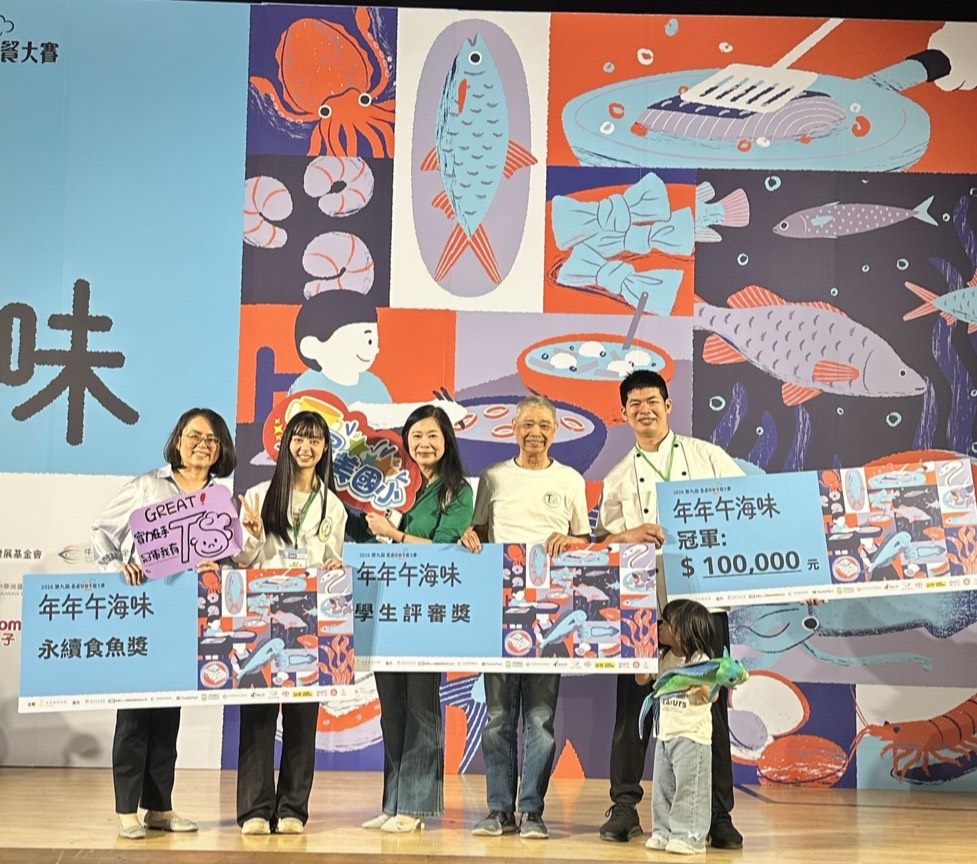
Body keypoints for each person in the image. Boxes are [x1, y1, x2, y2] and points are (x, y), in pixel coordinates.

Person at [596, 369, 744, 849]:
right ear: (624, 414)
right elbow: (601, 544)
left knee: (710, 705)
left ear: (668, 405)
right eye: (634, 404)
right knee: (632, 707)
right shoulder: (619, 476)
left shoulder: (707, 456)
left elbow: (749, 510)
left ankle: (718, 815)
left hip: (702, 603)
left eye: (651, 401)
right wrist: (628, 536)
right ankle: (625, 806)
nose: (644, 410)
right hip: (642, 604)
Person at [91, 408, 237, 840]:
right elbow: (102, 531)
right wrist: (117, 567)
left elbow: (230, 559)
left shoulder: (221, 498)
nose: (202, 446)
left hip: (187, 616)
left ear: (221, 450)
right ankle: (125, 811)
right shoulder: (148, 486)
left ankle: (159, 806)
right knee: (134, 715)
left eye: (211, 440)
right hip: (145, 610)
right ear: (177, 440)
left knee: (168, 715)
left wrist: (219, 566)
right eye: (194, 436)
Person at [460, 395, 590, 840]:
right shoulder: (493, 477)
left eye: (544, 425)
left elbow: (584, 541)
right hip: (498, 611)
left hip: (552, 614)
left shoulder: (570, 480)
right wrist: (470, 537)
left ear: (556, 431)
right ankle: (499, 810)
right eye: (527, 424)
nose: (535, 432)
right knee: (498, 717)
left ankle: (532, 810)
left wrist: (570, 542)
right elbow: (477, 532)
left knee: (539, 719)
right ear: (513, 429)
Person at [348, 404, 474, 833]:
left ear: (447, 440)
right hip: (387, 610)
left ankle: (415, 806)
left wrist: (395, 534)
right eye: (416, 436)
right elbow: (370, 537)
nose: (424, 444)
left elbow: (443, 550)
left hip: (425, 614)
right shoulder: (401, 489)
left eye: (432, 435)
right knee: (392, 710)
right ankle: (393, 802)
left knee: (421, 708)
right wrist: (361, 521)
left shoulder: (457, 492)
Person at [234, 410, 347, 835]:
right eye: (299, 438)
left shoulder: (333, 505)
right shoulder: (259, 495)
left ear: (325, 447)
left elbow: (332, 561)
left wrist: (334, 567)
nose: (306, 447)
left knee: (302, 717)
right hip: (263, 614)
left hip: (309, 618)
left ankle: (293, 809)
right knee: (258, 715)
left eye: (315, 440)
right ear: (286, 444)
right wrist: (253, 533)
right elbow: (242, 560)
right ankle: (255, 809)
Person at [637, 599, 718, 855]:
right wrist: (642, 654)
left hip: (691, 736)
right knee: (662, 788)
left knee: (689, 788)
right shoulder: (663, 657)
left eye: (667, 623)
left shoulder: (700, 659)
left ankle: (690, 836)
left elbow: (713, 693)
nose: (660, 626)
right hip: (665, 734)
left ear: (684, 630)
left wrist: (701, 689)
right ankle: (663, 831)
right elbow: (641, 679)